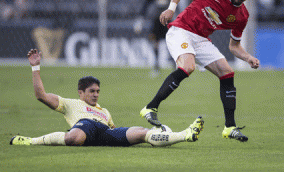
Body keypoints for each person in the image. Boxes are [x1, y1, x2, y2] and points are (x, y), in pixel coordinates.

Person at [140, 0, 260, 142]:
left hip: (201, 39)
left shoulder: (242, 15)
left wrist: (248, 58)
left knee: (227, 72)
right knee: (188, 66)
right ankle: (151, 107)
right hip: (181, 30)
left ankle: (230, 127)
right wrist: (171, 9)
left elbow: (234, 46)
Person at [10, 49, 204, 147]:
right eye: (92, 91)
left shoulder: (105, 112)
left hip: (104, 133)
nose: (95, 94)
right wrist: (35, 67)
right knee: (74, 137)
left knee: (141, 133)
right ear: (81, 92)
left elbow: (112, 128)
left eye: (97, 91)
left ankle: (184, 135)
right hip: (84, 126)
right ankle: (30, 141)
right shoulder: (70, 104)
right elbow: (40, 95)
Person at [134, 0, 175, 77]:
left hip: (168, 21)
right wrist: (140, 20)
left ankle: (174, 67)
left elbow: (176, 6)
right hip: (156, 21)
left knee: (170, 44)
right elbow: (145, 5)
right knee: (154, 42)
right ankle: (156, 67)